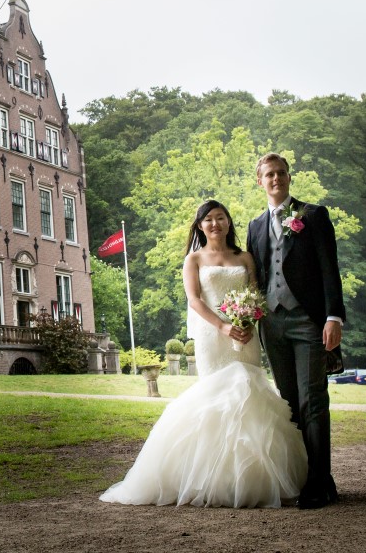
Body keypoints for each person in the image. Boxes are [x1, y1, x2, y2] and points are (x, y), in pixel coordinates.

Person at [101, 200, 307, 508]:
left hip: (245, 335)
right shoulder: (194, 259)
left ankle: (250, 479)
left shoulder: (245, 257)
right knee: (217, 400)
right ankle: (213, 480)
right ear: (200, 226)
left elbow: (255, 294)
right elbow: (195, 300)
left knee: (249, 395)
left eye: (220, 218)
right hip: (213, 336)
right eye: (208, 219)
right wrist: (223, 326)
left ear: (228, 222)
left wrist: (247, 322)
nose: (215, 223)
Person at [247, 152, 345, 509]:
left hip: (308, 321)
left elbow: (329, 268)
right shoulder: (255, 226)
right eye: (269, 174)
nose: (276, 179)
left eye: (281, 173)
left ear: (289, 177)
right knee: (288, 402)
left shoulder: (313, 215)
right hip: (272, 323)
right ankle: (309, 478)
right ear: (260, 181)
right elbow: (256, 275)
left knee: (312, 400)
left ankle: (318, 484)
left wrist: (334, 317)